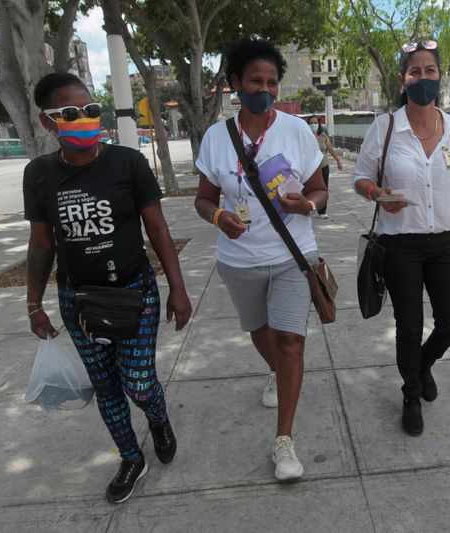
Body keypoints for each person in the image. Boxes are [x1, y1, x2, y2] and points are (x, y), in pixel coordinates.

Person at [23, 73, 192, 503]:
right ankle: (131, 458)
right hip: (78, 299)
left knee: (138, 382)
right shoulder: (39, 174)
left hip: (135, 292)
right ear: (48, 122)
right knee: (106, 387)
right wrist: (33, 304)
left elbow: (157, 227)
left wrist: (178, 288)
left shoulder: (127, 162)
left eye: (90, 110)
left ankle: (157, 418)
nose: (83, 119)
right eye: (70, 114)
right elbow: (42, 243)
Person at [194, 37, 327, 481]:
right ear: (236, 83)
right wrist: (217, 215)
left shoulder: (297, 130)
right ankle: (276, 372)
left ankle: (284, 440)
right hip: (239, 259)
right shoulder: (216, 137)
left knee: (291, 340)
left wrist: (306, 204)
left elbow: (320, 190)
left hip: (293, 253)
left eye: (271, 81)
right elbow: (203, 198)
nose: (264, 88)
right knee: (259, 330)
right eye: (255, 80)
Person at [351, 40, 450, 436]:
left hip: (445, 242)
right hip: (400, 245)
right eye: (415, 72)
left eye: (430, 71)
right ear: (402, 79)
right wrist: (377, 194)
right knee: (408, 325)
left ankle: (422, 364)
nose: (423, 78)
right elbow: (360, 177)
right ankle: (411, 394)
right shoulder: (386, 127)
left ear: (439, 76)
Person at [306, 115, 343, 219]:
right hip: (311, 168)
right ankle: (309, 208)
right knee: (309, 188)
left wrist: (338, 161)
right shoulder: (305, 136)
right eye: (311, 123)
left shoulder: (323, 136)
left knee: (324, 188)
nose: (313, 125)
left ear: (319, 124)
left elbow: (330, 149)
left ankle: (322, 211)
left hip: (324, 166)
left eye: (315, 123)